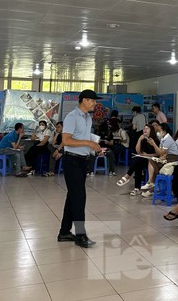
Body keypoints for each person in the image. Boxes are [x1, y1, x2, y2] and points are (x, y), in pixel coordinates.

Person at [58, 89, 102, 248]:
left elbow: (83, 137)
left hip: (83, 160)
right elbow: (66, 140)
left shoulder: (87, 117)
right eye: (93, 100)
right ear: (84, 100)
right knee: (79, 198)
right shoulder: (72, 117)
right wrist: (88, 143)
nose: (95, 103)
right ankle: (80, 235)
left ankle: (64, 232)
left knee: (73, 196)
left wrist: (94, 146)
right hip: (72, 161)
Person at [116, 125, 159, 196]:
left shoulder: (155, 140)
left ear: (151, 130)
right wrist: (139, 140)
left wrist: (147, 155)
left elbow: (158, 154)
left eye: (147, 129)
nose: (145, 130)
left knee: (137, 161)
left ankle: (128, 178)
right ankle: (136, 188)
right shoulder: (144, 139)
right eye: (144, 128)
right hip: (143, 159)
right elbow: (138, 151)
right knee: (137, 163)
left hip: (152, 161)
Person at [141, 122, 178, 198]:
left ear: (164, 131)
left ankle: (151, 183)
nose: (158, 132)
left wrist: (154, 144)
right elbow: (160, 153)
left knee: (153, 164)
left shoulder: (168, 139)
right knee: (151, 161)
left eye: (159, 130)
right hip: (166, 157)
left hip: (172, 158)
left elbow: (161, 152)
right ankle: (151, 184)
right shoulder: (163, 139)